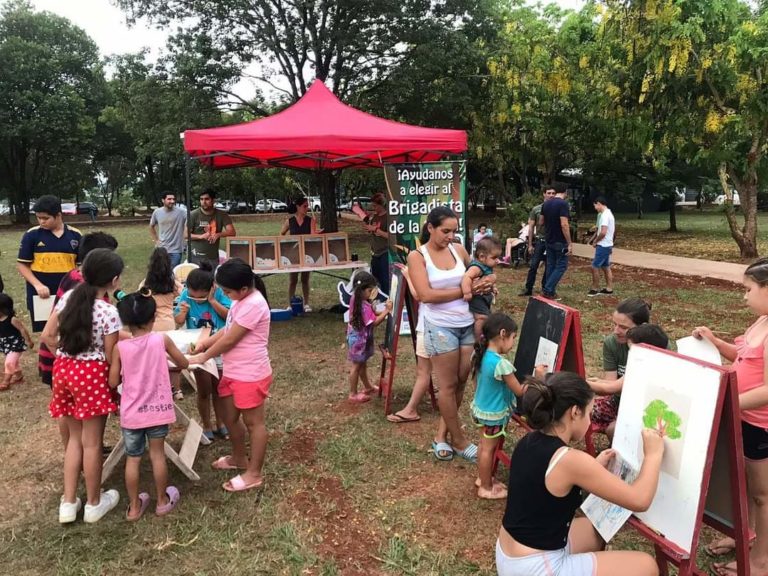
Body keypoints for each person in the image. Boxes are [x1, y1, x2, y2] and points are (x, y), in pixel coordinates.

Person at [496, 372, 665, 576]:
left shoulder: (529, 441)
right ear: (575, 412)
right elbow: (640, 499)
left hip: (509, 555)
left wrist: (592, 467)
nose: (589, 420)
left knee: (595, 529)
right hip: (538, 568)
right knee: (647, 566)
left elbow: (548, 485)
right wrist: (653, 455)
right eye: (589, 413)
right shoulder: (571, 460)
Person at [692, 258, 768, 576]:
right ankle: (744, 535)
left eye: (748, 289)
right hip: (743, 419)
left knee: (763, 496)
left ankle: (760, 561)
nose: (744, 296)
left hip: (760, 426)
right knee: (746, 487)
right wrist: (715, 341)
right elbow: (744, 357)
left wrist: (728, 402)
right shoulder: (761, 322)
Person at [41, 249, 125, 524]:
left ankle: (68, 503)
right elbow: (112, 356)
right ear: (114, 280)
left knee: (74, 440)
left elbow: (47, 336)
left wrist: (68, 356)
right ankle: (93, 503)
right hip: (91, 376)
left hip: (63, 370)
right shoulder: (109, 312)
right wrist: (113, 380)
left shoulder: (67, 298)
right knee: (92, 443)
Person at [407, 206, 494, 463]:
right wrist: (467, 292)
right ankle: (459, 440)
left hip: (467, 323)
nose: (450, 236)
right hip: (440, 326)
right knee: (447, 385)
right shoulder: (417, 256)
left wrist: (488, 285)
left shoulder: (459, 250)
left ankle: (441, 435)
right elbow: (425, 295)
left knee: (462, 380)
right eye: (445, 231)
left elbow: (479, 272)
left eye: (454, 231)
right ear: (430, 227)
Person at [187, 258, 272, 493]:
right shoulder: (240, 300)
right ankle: (238, 458)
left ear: (243, 288)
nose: (225, 294)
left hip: (250, 374)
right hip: (234, 371)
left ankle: (253, 473)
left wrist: (203, 357)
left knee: (254, 424)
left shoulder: (254, 304)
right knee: (230, 418)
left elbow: (231, 339)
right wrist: (205, 345)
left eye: (226, 291)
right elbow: (227, 329)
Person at [110, 288, 188, 520]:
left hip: (132, 414)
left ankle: (134, 507)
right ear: (154, 318)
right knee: (157, 455)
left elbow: (113, 381)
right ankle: (162, 501)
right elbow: (182, 362)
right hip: (158, 410)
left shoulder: (120, 348)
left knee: (133, 458)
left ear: (125, 322)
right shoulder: (161, 340)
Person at [174, 261, 230, 440]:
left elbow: (229, 317)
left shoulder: (219, 294)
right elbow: (179, 321)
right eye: (192, 295)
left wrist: (212, 301)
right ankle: (207, 424)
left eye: (201, 297)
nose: (196, 299)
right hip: (198, 350)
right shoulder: (185, 295)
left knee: (220, 389)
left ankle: (222, 423)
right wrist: (182, 312)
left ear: (211, 288)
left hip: (219, 348)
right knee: (204, 391)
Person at [471, 313, 525, 500]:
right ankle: (485, 487)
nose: (512, 344)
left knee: (483, 445)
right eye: (512, 338)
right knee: (488, 449)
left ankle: (482, 478)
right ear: (503, 334)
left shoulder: (481, 354)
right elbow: (519, 391)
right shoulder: (502, 365)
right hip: (493, 415)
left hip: (479, 409)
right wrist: (539, 377)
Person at [588, 298, 651, 439]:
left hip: (645, 407)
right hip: (619, 401)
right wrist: (597, 382)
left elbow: (612, 388)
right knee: (582, 411)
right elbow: (612, 384)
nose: (616, 331)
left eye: (623, 327)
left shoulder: (654, 349)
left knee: (614, 430)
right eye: (614, 324)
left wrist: (582, 383)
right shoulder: (611, 343)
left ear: (642, 327)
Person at [16, 195, 82, 332]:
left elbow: (81, 266)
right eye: (38, 218)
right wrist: (38, 285)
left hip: (67, 291)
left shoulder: (76, 235)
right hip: (41, 294)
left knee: (69, 329)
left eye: (45, 218)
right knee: (46, 332)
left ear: (58, 215)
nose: (41, 221)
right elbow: (22, 265)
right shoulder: (32, 235)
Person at [387, 266, 431, 424]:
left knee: (423, 371)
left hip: (430, 325)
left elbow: (419, 295)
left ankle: (411, 409)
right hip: (438, 325)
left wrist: (408, 276)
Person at [140, 247, 184, 399]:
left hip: (152, 325)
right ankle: (177, 390)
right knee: (172, 357)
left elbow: (140, 299)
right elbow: (183, 292)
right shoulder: (172, 283)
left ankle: (157, 387)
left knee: (154, 359)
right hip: (169, 323)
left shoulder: (146, 283)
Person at [346, 271, 393, 403]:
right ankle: (353, 393)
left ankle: (367, 386)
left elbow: (373, 314)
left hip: (361, 339)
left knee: (363, 364)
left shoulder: (358, 299)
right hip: (358, 341)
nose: (372, 293)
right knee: (356, 366)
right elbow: (375, 322)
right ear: (362, 290)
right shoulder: (362, 305)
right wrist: (387, 311)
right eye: (370, 290)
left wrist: (381, 310)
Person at [280, 196, 320, 312]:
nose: (307, 208)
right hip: (293, 255)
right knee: (293, 280)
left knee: (305, 279)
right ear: (298, 207)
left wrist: (316, 228)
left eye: (308, 206)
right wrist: (288, 245)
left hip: (307, 254)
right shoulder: (289, 221)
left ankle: (306, 304)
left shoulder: (310, 220)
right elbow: (281, 234)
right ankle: (290, 304)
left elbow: (313, 236)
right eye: (305, 206)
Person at [462, 236, 503, 341]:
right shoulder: (476, 267)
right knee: (481, 317)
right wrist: (467, 292)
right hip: (477, 299)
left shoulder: (487, 266)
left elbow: (486, 280)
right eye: (494, 258)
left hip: (484, 297)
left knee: (486, 316)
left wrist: (493, 287)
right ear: (481, 257)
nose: (497, 261)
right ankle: (479, 338)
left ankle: (483, 334)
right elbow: (466, 277)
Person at [517, 188, 555, 296]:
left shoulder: (557, 209)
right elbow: (531, 227)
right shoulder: (536, 209)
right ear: (544, 194)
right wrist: (529, 244)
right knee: (533, 265)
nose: (551, 195)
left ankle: (545, 288)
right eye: (549, 193)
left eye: (553, 193)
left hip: (552, 241)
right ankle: (528, 288)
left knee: (549, 266)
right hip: (540, 241)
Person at [188, 188, 236, 267]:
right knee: (197, 278)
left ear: (213, 201)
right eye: (201, 199)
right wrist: (200, 236)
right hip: (195, 256)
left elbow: (232, 232)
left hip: (212, 257)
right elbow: (186, 235)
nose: (204, 202)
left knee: (212, 278)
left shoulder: (222, 215)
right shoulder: (193, 214)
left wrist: (218, 234)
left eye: (207, 199)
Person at [540, 183, 572, 300]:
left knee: (551, 265)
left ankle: (549, 292)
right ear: (565, 192)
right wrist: (569, 242)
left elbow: (541, 221)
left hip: (549, 239)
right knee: (561, 266)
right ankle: (548, 289)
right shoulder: (563, 204)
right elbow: (564, 224)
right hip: (560, 240)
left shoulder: (546, 203)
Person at [0, 293, 34, 391]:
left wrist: (29, 341)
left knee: (9, 362)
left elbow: (22, 329)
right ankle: (19, 377)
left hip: (15, 344)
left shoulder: (12, 320)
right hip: (5, 345)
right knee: (14, 362)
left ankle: (6, 382)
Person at [149, 192, 187, 268]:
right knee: (162, 271)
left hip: (176, 250)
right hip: (162, 249)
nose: (172, 201)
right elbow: (151, 226)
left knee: (172, 272)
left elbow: (192, 222)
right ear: (163, 200)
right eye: (169, 199)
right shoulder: (157, 212)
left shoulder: (182, 212)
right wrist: (156, 240)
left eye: (173, 199)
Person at [363, 193, 390, 296]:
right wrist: (369, 228)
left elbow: (390, 236)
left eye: (375, 206)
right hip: (375, 252)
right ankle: (377, 298)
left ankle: (387, 299)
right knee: (375, 279)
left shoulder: (388, 217)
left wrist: (376, 230)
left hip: (385, 252)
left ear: (381, 204)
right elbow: (372, 229)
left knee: (385, 280)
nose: (373, 208)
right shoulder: (374, 217)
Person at [588, 196, 616, 296]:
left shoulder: (604, 215)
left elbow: (603, 232)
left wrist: (595, 241)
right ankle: (609, 288)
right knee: (605, 267)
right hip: (607, 244)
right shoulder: (609, 213)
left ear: (599, 203)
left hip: (603, 245)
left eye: (595, 205)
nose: (595, 208)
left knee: (594, 266)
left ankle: (595, 288)